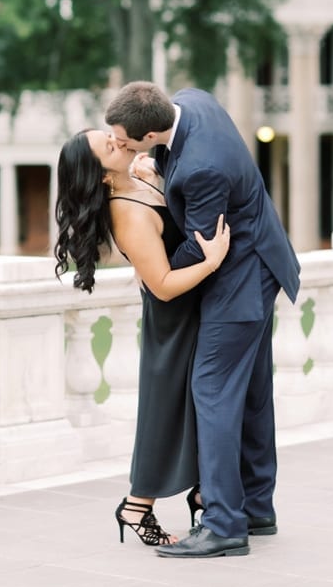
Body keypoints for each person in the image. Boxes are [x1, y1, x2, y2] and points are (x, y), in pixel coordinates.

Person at [104, 81, 301, 559]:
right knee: (252, 393)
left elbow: (202, 240)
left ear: (151, 131)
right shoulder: (193, 102)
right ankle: (255, 507)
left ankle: (223, 525)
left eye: (128, 140)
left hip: (241, 278)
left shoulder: (201, 168)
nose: (122, 148)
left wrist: (156, 268)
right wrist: (157, 165)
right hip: (262, 266)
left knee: (212, 391)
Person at [53, 129, 231, 547]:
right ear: (100, 176)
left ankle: (204, 490)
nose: (118, 142)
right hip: (173, 317)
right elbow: (165, 284)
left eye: (111, 136)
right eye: (108, 148)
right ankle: (136, 505)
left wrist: (153, 173)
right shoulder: (126, 212)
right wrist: (212, 262)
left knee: (194, 404)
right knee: (166, 409)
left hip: (192, 311)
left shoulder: (139, 176)